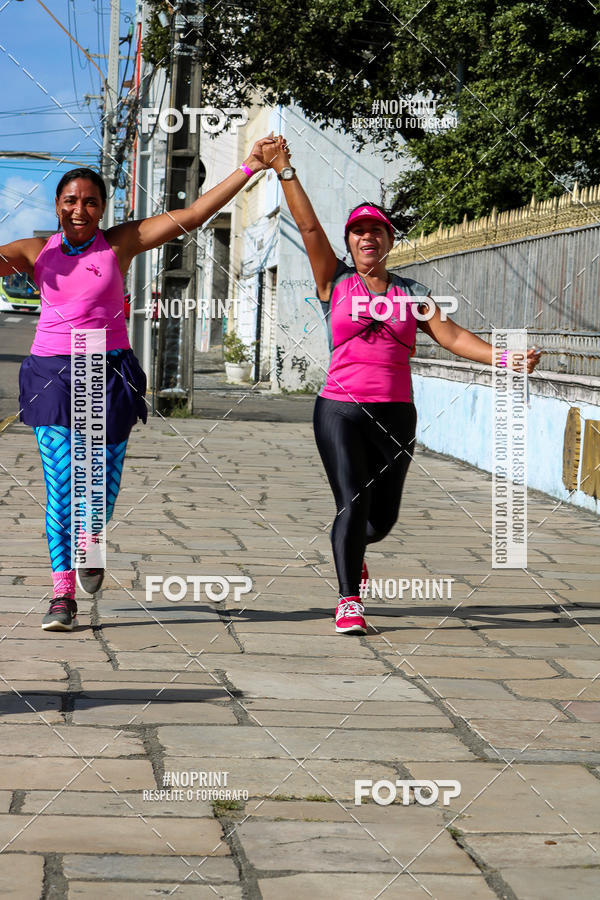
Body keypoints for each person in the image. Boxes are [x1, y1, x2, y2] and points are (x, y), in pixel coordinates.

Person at [267, 136, 542, 635]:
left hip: (395, 414)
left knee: (380, 521)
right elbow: (307, 227)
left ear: (390, 241)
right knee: (352, 502)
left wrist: (505, 359)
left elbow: (453, 335)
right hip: (340, 410)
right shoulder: (335, 282)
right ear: (349, 243)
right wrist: (285, 169)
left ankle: (354, 551)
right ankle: (349, 599)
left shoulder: (412, 294)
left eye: (376, 232)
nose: (367, 238)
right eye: (358, 233)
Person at [0, 136, 276, 631]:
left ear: (103, 208)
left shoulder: (119, 242)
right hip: (52, 376)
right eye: (70, 200)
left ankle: (92, 542)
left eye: (90, 201)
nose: (79, 208)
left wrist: (250, 167)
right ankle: (62, 594)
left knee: (99, 489)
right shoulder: (33, 250)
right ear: (56, 206)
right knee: (62, 484)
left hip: (107, 372)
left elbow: (191, 216)